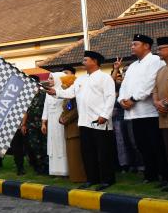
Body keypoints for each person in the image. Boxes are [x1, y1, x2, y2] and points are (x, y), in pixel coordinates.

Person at [46, 50, 116, 191]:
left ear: (94, 61)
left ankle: (107, 180)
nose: (82, 62)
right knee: (88, 152)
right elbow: (70, 93)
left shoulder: (104, 78)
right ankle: (92, 179)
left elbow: (110, 97)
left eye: (85, 60)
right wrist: (56, 92)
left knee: (103, 153)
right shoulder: (81, 79)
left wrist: (105, 115)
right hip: (84, 122)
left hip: (100, 121)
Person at [118, 34, 168, 186]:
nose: (132, 47)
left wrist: (133, 99)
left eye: (135, 44)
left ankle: (163, 174)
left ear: (146, 46)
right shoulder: (132, 66)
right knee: (141, 145)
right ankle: (150, 173)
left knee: (157, 145)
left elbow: (150, 84)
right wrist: (121, 100)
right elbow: (124, 85)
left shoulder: (155, 61)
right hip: (134, 114)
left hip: (150, 112)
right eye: (132, 44)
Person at [59, 74, 87, 183]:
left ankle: (80, 177)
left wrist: (65, 119)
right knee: (72, 155)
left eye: (64, 84)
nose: (62, 87)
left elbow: (76, 111)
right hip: (68, 129)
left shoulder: (75, 97)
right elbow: (65, 110)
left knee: (76, 155)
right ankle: (75, 177)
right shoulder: (67, 98)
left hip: (74, 128)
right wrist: (61, 118)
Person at [41, 72, 68, 176]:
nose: (49, 81)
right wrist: (44, 123)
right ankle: (54, 171)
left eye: (51, 79)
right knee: (52, 143)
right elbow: (45, 109)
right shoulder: (48, 93)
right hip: (51, 122)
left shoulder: (63, 92)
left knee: (61, 142)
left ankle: (65, 170)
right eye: (49, 78)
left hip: (61, 121)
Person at [21, 76, 49, 175]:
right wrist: (23, 125)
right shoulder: (27, 96)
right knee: (34, 147)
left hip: (43, 125)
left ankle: (47, 167)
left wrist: (44, 123)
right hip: (31, 125)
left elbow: (47, 110)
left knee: (45, 146)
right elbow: (25, 112)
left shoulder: (44, 95)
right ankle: (39, 167)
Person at [153, 36, 168, 191]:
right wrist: (157, 103)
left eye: (161, 49)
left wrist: (164, 104)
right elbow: (155, 90)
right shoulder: (161, 70)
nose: (158, 52)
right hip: (163, 117)